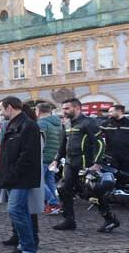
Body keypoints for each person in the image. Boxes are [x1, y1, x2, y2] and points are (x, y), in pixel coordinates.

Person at [50, 98, 117, 232]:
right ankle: (69, 220)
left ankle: (111, 220)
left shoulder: (89, 122)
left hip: (86, 163)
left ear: (77, 108)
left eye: (67, 108)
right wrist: (56, 159)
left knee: (92, 192)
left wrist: (97, 163)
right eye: (63, 108)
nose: (64, 111)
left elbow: (99, 143)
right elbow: (63, 144)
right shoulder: (67, 123)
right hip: (69, 163)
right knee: (63, 189)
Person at [0, 97, 42, 253]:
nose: (0, 113)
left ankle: (29, 252)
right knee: (20, 212)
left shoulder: (28, 126)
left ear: (9, 107)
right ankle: (23, 247)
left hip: (21, 178)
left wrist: (12, 175)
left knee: (16, 211)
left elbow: (28, 156)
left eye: (1, 109)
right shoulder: (13, 125)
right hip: (13, 177)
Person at [35, 103, 62, 215]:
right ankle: (56, 204)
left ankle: (53, 203)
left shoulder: (41, 123)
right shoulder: (57, 123)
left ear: (38, 111)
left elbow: (39, 142)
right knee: (50, 181)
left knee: (39, 181)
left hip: (43, 156)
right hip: (54, 156)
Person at [101, 104, 129, 172]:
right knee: (112, 179)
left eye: (111, 111)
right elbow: (95, 136)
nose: (109, 114)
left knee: (128, 178)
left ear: (119, 111)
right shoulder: (105, 124)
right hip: (111, 157)